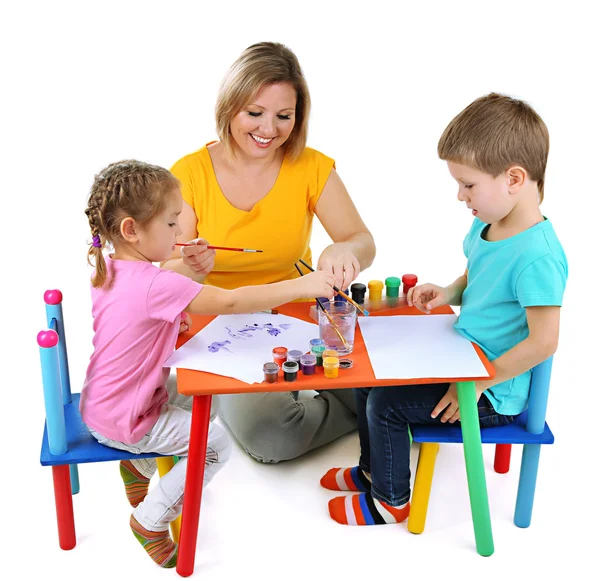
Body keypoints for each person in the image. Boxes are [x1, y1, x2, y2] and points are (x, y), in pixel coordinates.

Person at [320, 93, 568, 526]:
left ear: (513, 178)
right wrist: (449, 292)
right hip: (459, 355)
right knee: (370, 378)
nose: (459, 195)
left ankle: (390, 501)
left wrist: (474, 385)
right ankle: (372, 470)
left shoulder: (539, 257)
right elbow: (478, 276)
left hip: (493, 389)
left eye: (468, 184)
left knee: (387, 406)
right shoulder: (488, 223)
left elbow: (545, 341)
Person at [80, 159, 335, 567]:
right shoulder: (154, 283)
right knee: (213, 446)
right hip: (125, 418)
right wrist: (302, 285)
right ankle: (150, 519)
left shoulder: (112, 267)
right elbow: (230, 302)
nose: (181, 232)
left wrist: (194, 271)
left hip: (105, 403)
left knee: (206, 392)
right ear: (131, 230)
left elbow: (146, 313)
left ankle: (139, 466)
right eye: (171, 223)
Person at [162, 42, 376, 463]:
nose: (269, 129)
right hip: (222, 327)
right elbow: (165, 276)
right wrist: (191, 266)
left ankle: (350, 405)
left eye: (284, 116)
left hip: (300, 317)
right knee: (273, 437)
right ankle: (263, 406)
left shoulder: (311, 166)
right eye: (254, 112)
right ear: (229, 108)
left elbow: (361, 239)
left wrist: (343, 249)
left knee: (386, 389)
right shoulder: (189, 172)